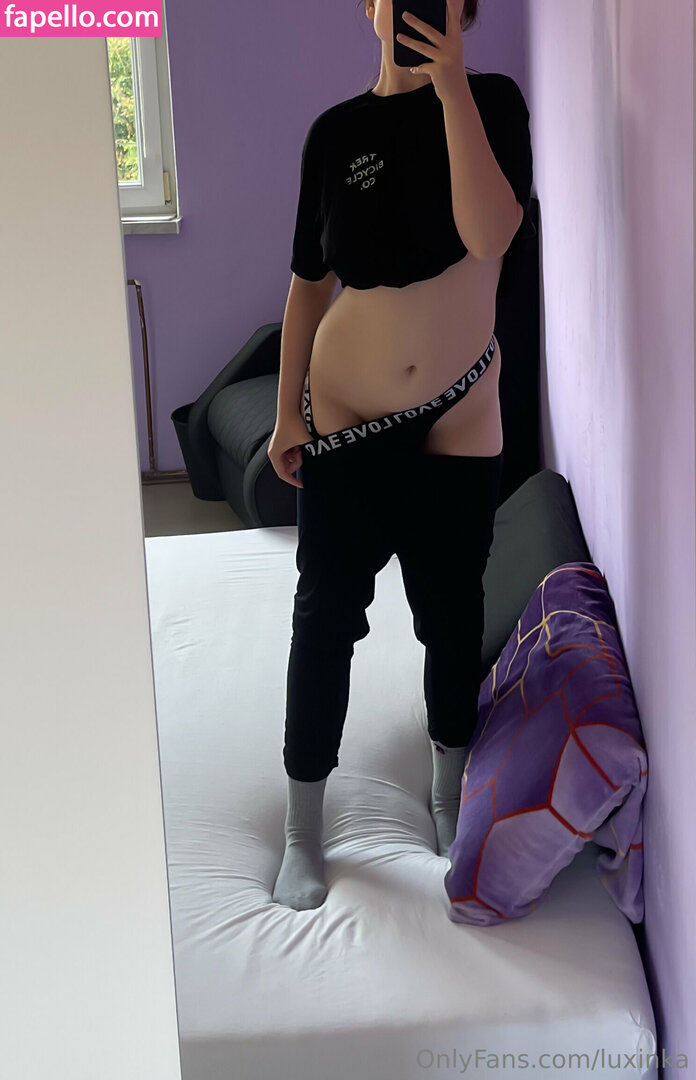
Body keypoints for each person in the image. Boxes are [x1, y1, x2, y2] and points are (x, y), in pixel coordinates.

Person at [268, 0, 535, 910]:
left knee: (452, 612)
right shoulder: (335, 134)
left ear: (466, 11)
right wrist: (287, 413)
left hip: (462, 410)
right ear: (371, 7)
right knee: (326, 616)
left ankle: (447, 790)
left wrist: (451, 86)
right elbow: (308, 287)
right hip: (346, 409)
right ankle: (302, 828)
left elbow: (490, 235)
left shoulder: (493, 103)